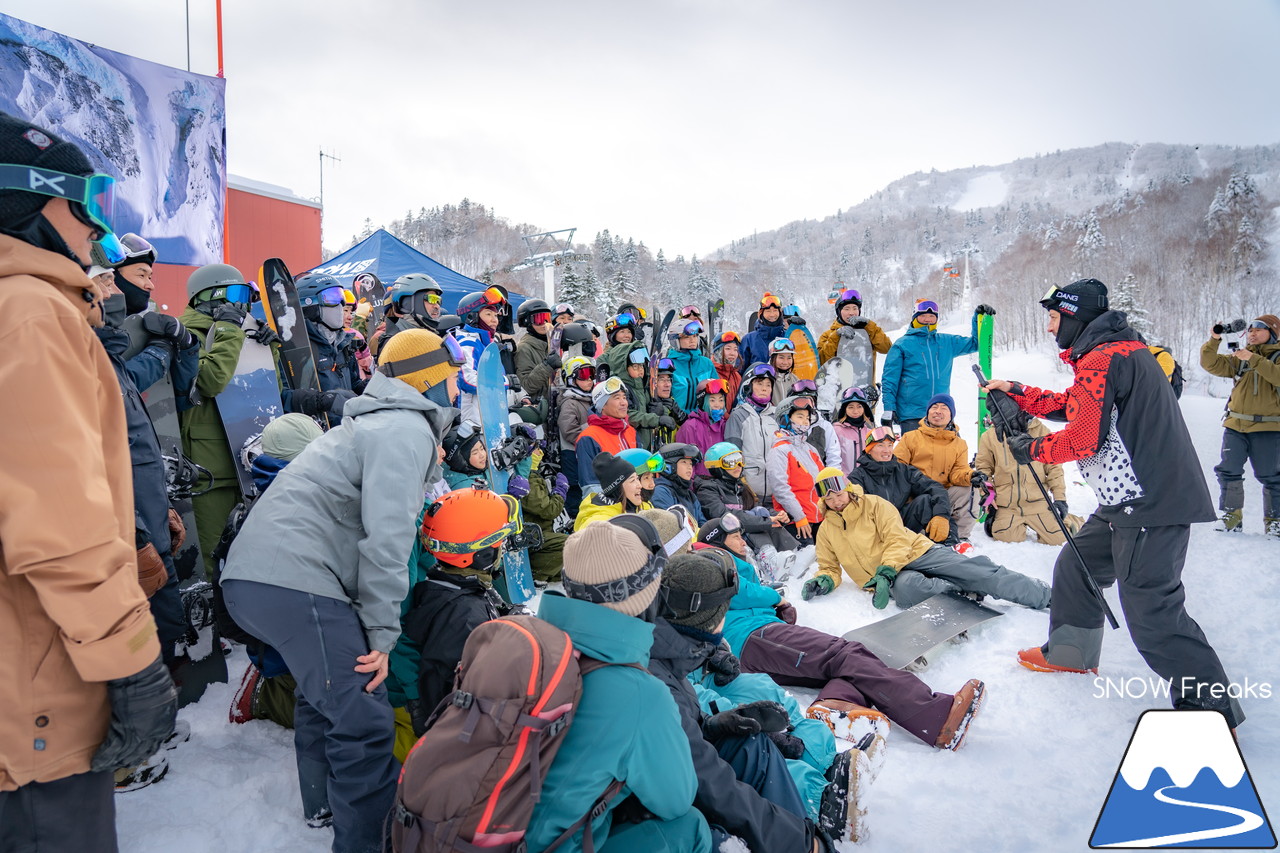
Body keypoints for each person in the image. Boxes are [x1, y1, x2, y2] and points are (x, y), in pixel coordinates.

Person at [0, 111, 177, 850]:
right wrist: (130, 658)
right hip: (39, 690)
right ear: (32, 201)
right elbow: (58, 520)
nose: (94, 232)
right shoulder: (30, 311)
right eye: (83, 205)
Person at [221, 328, 462, 849]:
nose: (460, 382)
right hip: (291, 580)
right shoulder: (403, 428)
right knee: (366, 717)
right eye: (453, 373)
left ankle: (323, 805)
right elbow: (387, 536)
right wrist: (380, 633)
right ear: (430, 380)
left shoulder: (372, 424)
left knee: (323, 694)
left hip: (256, 580)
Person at [984, 279, 1243, 729]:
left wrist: (1031, 449)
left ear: (1073, 317)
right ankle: (1071, 651)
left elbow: (1085, 436)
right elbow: (1076, 406)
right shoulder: (1115, 352)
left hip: (1148, 501)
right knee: (1077, 566)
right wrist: (1020, 390)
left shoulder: (1105, 357)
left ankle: (1210, 709)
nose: (1048, 328)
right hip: (1125, 498)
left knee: (1151, 609)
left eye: (1052, 317)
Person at [696, 513, 986, 752]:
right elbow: (737, 591)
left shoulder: (727, 560)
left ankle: (835, 705)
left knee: (843, 664)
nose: (742, 540)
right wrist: (778, 599)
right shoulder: (710, 561)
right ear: (717, 543)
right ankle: (937, 717)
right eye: (735, 536)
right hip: (753, 637)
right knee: (846, 653)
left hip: (759, 639)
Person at [526, 519, 714, 853]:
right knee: (691, 828)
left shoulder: (525, 642)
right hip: (552, 847)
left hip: (475, 831)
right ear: (647, 595)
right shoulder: (640, 693)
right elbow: (675, 800)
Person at [647, 546, 834, 853]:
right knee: (755, 734)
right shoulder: (657, 679)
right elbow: (709, 782)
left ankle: (818, 773)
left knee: (755, 730)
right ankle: (815, 799)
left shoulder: (669, 652)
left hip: (680, 761)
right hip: (656, 807)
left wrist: (711, 725)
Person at [807, 468, 1050, 611]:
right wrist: (824, 581)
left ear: (848, 490)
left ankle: (1044, 595)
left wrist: (886, 570)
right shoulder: (827, 530)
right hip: (889, 578)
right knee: (909, 590)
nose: (836, 501)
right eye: (829, 499)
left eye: (839, 494)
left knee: (975, 572)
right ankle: (963, 595)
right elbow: (828, 565)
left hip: (916, 553)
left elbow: (896, 539)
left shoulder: (874, 505)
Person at [225, 413, 325, 731]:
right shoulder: (259, 521)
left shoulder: (314, 496)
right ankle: (263, 696)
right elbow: (233, 612)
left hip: (306, 640)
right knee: (331, 718)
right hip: (288, 653)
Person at [178, 262, 271, 577]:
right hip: (210, 467)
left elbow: (266, 395)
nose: (241, 303)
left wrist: (263, 349)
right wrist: (231, 331)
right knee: (216, 561)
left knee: (252, 556)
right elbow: (210, 380)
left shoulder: (242, 332)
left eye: (245, 294)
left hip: (248, 461)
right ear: (209, 297)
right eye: (233, 293)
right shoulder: (184, 333)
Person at [400, 486, 518, 734]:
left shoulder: (440, 587)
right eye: (500, 541)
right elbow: (452, 698)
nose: (504, 548)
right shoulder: (464, 616)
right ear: (483, 554)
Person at [1200, 313, 1280, 535]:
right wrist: (1214, 339)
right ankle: (1231, 516)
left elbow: (1277, 376)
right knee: (1229, 470)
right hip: (1236, 425)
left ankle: (1275, 520)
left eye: (1259, 329)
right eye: (1251, 330)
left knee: (1271, 476)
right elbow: (1211, 364)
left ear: (1272, 333)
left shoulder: (1272, 357)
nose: (1252, 333)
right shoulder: (1240, 358)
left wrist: (1252, 359)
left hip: (1269, 427)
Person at [880, 300, 995, 433]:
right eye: (923, 316)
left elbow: (974, 344)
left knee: (949, 453)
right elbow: (890, 379)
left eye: (932, 316)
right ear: (915, 318)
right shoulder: (902, 345)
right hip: (912, 414)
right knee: (916, 453)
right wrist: (889, 408)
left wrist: (978, 317)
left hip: (941, 412)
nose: (928, 319)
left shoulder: (946, 342)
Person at [974, 411, 1084, 545]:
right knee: (1006, 537)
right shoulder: (990, 436)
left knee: (1059, 539)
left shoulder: (1041, 431)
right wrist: (988, 495)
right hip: (1008, 504)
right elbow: (983, 468)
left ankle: (1070, 520)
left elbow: (1054, 468)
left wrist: (1060, 498)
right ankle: (1008, 522)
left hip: (1038, 501)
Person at [892, 393, 985, 541]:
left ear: (951, 415)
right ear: (928, 412)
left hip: (944, 494)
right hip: (916, 495)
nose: (938, 411)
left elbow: (958, 472)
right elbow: (897, 467)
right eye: (934, 407)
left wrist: (970, 476)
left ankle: (960, 537)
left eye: (944, 408)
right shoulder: (910, 437)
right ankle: (917, 534)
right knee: (922, 506)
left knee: (969, 489)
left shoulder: (959, 444)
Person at [849, 427, 958, 545]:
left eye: (890, 445)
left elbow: (935, 488)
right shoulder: (857, 476)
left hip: (903, 526)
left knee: (926, 500)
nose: (886, 450)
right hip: (875, 531)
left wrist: (941, 516)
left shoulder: (904, 470)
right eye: (880, 445)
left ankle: (948, 545)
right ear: (869, 450)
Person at [695, 442, 799, 557]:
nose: (738, 465)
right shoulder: (707, 490)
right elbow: (725, 517)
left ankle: (794, 553)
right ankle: (770, 558)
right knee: (755, 523)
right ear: (716, 467)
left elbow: (759, 508)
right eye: (730, 462)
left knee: (761, 513)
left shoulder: (741, 488)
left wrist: (778, 515)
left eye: (740, 460)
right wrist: (767, 521)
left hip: (747, 540)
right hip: (728, 541)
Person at [284, 272, 362, 421]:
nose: (340, 305)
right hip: (316, 435)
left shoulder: (343, 344)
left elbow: (354, 382)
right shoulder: (292, 348)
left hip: (349, 430)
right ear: (310, 305)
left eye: (341, 298)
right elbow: (281, 396)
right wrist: (320, 401)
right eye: (332, 298)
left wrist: (368, 388)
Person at [768, 397, 825, 543]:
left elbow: (824, 482)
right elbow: (780, 488)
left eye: (807, 417)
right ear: (785, 418)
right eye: (800, 416)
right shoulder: (779, 450)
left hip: (819, 519)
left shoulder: (810, 449)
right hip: (796, 522)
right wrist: (799, 517)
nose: (805, 421)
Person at [575, 376, 639, 495]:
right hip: (608, 507)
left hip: (635, 502)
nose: (624, 402)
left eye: (624, 397)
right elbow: (590, 486)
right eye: (617, 398)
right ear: (602, 405)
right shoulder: (589, 438)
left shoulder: (631, 432)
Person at [725, 363, 780, 499]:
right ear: (748, 386)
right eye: (760, 384)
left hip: (775, 492)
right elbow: (732, 454)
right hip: (748, 492)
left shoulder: (776, 416)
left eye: (768, 385)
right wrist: (740, 484)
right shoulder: (739, 415)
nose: (764, 389)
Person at [454, 286, 508, 423]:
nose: (495, 320)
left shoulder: (486, 344)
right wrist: (505, 382)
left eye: (496, 315)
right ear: (473, 316)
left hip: (488, 417)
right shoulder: (467, 343)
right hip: (472, 420)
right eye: (488, 314)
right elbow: (467, 380)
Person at [576, 449, 660, 530]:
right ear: (617, 487)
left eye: (637, 479)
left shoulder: (642, 506)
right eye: (632, 480)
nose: (640, 486)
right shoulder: (599, 524)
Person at [557, 355, 598, 514]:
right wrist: (591, 439)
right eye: (583, 375)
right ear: (571, 379)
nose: (589, 379)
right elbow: (568, 430)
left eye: (592, 374)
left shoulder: (589, 399)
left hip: (587, 458)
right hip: (573, 458)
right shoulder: (570, 402)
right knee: (576, 496)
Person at [368, 272, 443, 356]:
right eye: (431, 299)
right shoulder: (391, 343)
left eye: (438, 300)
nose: (437, 306)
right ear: (406, 304)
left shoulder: (434, 337)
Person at [817, 288, 892, 368]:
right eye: (847, 309)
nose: (851, 313)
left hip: (866, 380)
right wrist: (836, 336)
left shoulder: (868, 332)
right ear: (839, 312)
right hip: (838, 380)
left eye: (855, 308)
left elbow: (887, 348)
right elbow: (821, 362)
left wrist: (869, 325)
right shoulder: (827, 335)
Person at [675, 377, 730, 473]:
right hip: (699, 483)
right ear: (702, 402)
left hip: (721, 483)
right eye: (712, 401)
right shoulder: (690, 427)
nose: (717, 405)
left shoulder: (725, 426)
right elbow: (685, 463)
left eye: (721, 400)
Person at [513, 297, 560, 404]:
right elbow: (525, 386)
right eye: (538, 319)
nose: (544, 323)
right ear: (528, 322)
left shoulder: (555, 344)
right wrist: (547, 366)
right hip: (539, 406)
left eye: (546, 318)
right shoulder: (524, 348)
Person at [667, 319, 718, 413]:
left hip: (703, 420)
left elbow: (717, 393)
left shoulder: (706, 364)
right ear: (675, 340)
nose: (692, 340)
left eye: (695, 336)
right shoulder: (668, 365)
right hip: (677, 421)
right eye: (687, 337)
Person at [652, 443, 708, 524]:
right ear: (670, 466)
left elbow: (702, 524)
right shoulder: (660, 492)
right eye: (684, 462)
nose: (689, 467)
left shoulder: (690, 495)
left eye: (691, 464)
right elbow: (669, 526)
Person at [739, 292, 789, 369]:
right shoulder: (749, 339)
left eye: (775, 310)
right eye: (768, 311)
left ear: (780, 312)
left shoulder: (788, 336)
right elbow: (740, 370)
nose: (772, 315)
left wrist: (798, 330)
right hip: (758, 380)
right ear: (761, 314)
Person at [832, 386, 876, 471]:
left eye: (859, 406)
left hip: (865, 481)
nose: (855, 411)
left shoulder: (870, 432)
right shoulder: (836, 430)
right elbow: (833, 459)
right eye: (851, 407)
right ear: (844, 409)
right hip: (845, 481)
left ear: (864, 409)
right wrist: (844, 480)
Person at [648, 357, 687, 445]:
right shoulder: (645, 402)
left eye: (669, 380)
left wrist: (679, 416)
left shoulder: (671, 402)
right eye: (661, 380)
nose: (667, 384)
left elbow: (688, 432)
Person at [767, 337, 801, 404]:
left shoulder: (795, 380)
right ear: (772, 358)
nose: (785, 362)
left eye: (789, 358)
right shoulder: (765, 378)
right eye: (781, 357)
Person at [713, 330, 743, 403]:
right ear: (718, 351)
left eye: (735, 350)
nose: (732, 353)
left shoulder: (736, 376)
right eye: (728, 349)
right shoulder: (710, 373)